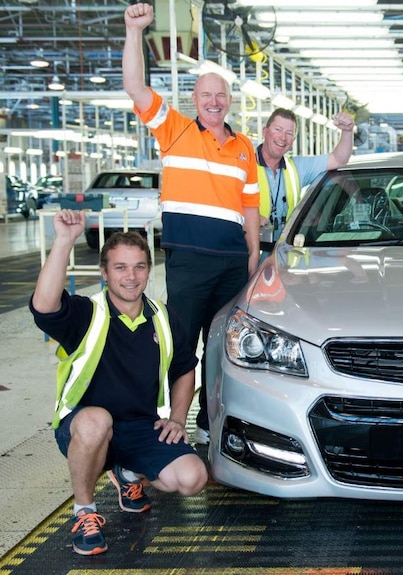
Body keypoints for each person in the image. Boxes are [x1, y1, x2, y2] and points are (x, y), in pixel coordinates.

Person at [30, 211, 208, 556]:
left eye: (139, 266)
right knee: (98, 420)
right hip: (84, 428)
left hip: (139, 426)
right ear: (104, 273)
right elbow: (44, 307)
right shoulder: (87, 313)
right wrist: (64, 241)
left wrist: (176, 417)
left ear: (149, 270)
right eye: (121, 267)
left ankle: (128, 473)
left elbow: (185, 368)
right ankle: (84, 512)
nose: (131, 276)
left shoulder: (163, 316)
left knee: (191, 479)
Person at [123, 3, 260, 445]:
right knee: (181, 345)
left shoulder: (244, 148)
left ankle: (209, 423)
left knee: (221, 347)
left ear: (230, 101)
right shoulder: (175, 130)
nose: (214, 102)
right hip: (188, 261)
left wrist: (254, 253)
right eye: (206, 96)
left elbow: (251, 206)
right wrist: (134, 31)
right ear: (195, 100)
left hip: (233, 263)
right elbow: (134, 86)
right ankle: (176, 422)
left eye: (221, 96)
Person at [258, 107, 355, 243]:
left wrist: (347, 131)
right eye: (278, 130)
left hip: (282, 252)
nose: (283, 137)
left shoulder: (297, 167)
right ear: (265, 131)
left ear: (293, 141)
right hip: (249, 252)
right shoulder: (244, 164)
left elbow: (338, 159)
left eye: (289, 133)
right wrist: (249, 216)